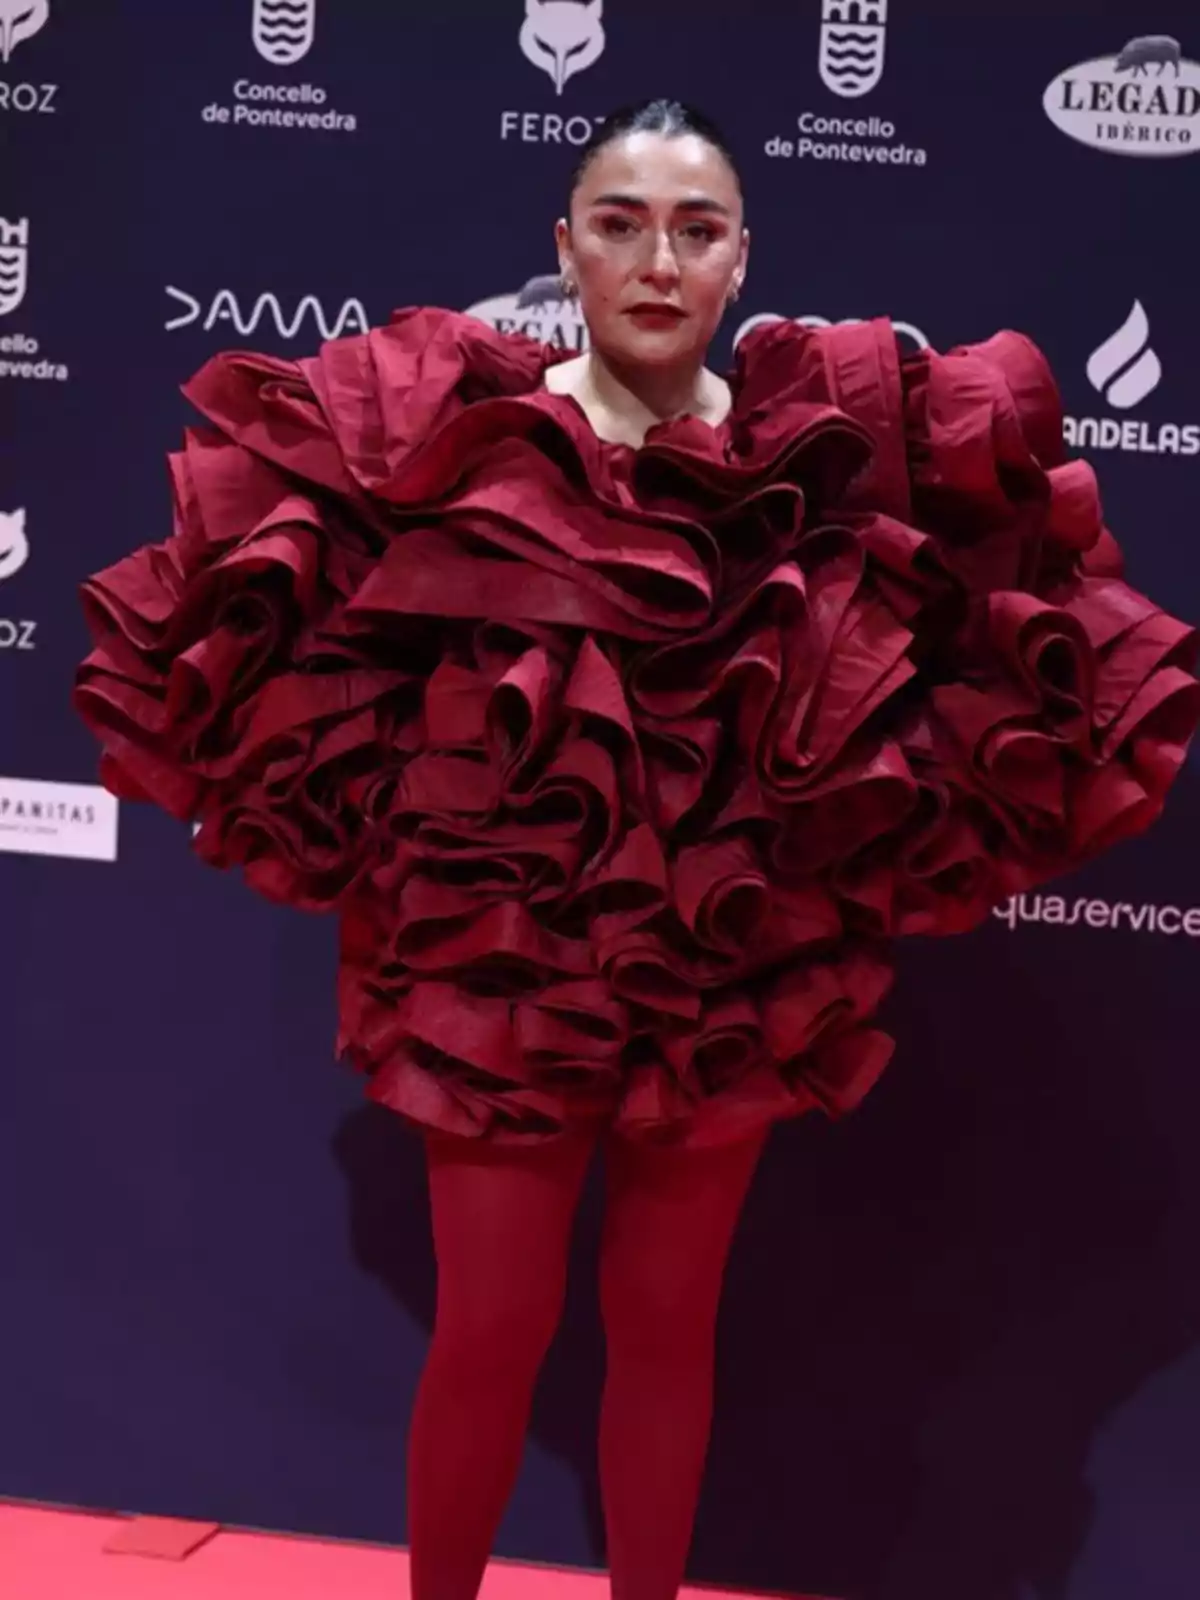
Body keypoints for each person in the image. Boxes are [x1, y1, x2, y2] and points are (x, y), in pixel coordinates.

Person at [74, 98, 1199, 1600]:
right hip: (500, 956)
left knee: (670, 1330)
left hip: (731, 962)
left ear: (742, 257)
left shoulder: (829, 465)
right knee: (494, 1330)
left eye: (695, 228)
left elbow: (996, 645)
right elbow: (296, 646)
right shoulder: (451, 443)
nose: (657, 261)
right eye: (619, 223)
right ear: (565, 249)